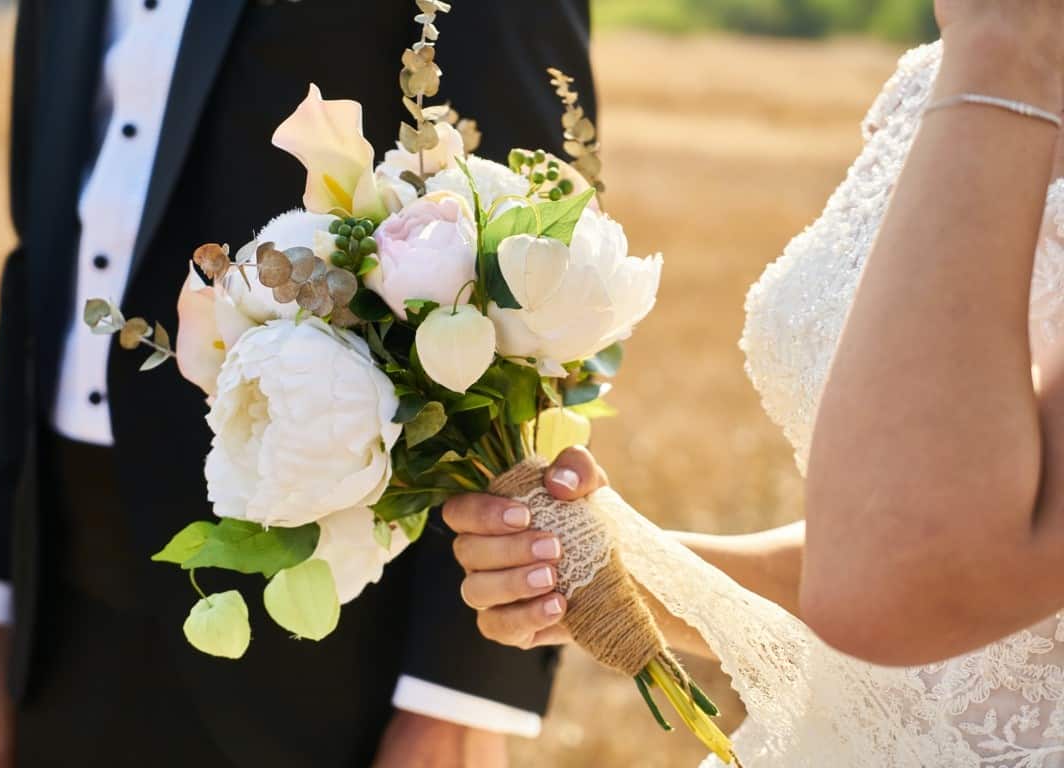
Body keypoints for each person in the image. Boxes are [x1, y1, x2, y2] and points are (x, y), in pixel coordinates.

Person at [0, 2, 596, 767]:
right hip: (59, 620)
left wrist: (455, 700)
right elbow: (41, 257)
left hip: (326, 652)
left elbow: (539, 288)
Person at [441, 3, 1064, 766]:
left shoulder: (999, 54)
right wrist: (626, 571)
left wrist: (1007, 45)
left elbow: (904, 576)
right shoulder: (943, 78)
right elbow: (889, 535)